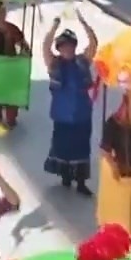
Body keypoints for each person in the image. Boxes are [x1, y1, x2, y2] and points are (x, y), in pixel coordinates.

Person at [42, 13, 98, 195]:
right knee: (62, 147)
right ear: (59, 48)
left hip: (82, 114)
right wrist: (54, 26)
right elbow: (45, 46)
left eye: (70, 45)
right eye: (64, 46)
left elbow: (93, 43)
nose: (67, 48)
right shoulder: (54, 64)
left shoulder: (83, 61)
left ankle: (81, 182)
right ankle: (65, 176)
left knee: (82, 147)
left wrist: (84, 23)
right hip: (62, 116)